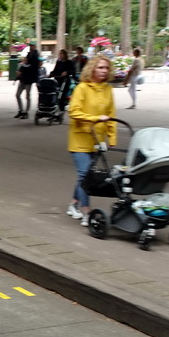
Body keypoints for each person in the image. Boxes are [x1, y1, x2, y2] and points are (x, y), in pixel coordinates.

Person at [67, 54, 117, 227]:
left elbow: (111, 115)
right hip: (80, 139)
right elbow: (74, 112)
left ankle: (74, 204)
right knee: (85, 174)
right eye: (100, 67)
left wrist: (112, 137)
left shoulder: (108, 90)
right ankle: (86, 211)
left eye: (106, 68)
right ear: (92, 69)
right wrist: (95, 118)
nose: (104, 71)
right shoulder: (82, 88)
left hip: (97, 140)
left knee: (85, 175)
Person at [14, 43, 40, 119]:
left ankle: (26, 112)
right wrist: (19, 71)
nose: (31, 47)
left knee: (27, 96)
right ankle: (21, 110)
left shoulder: (35, 55)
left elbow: (32, 67)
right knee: (17, 95)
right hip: (23, 78)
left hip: (29, 79)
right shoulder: (29, 54)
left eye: (32, 46)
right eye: (30, 46)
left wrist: (23, 70)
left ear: (35, 46)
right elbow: (25, 64)